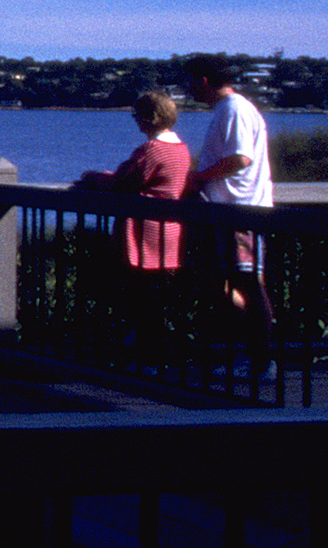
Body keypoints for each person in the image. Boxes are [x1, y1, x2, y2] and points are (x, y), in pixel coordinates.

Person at [79, 90, 193, 355]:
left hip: (143, 232)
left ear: (149, 118)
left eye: (136, 115)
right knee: (157, 292)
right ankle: (151, 347)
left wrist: (94, 177)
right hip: (169, 229)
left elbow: (124, 183)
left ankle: (146, 350)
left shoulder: (152, 149)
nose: (135, 121)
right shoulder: (182, 149)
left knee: (140, 292)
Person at [182, 55, 277, 355]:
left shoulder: (235, 109)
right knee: (232, 285)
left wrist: (198, 177)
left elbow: (240, 159)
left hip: (241, 211)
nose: (187, 88)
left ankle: (262, 359)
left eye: (190, 81)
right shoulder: (228, 109)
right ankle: (252, 352)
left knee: (248, 284)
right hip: (228, 212)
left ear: (204, 81)